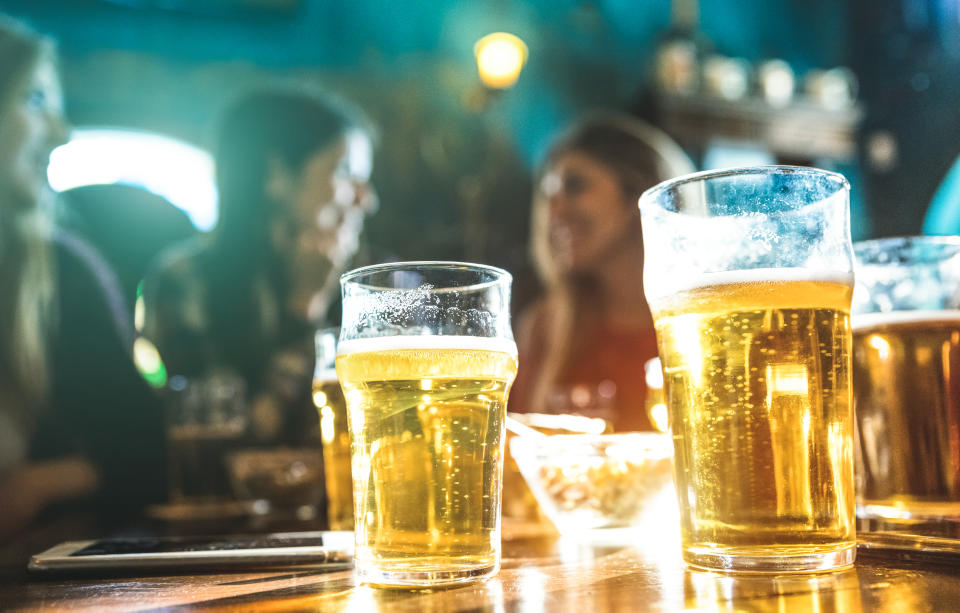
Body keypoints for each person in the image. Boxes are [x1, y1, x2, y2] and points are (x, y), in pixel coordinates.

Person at [138, 88, 376, 453]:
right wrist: (304, 307)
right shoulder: (184, 282)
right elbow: (232, 445)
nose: (366, 200)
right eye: (343, 172)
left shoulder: (370, 286)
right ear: (276, 175)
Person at [0, 16, 165, 540]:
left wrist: (32, 486)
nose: (62, 131)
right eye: (35, 100)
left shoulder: (60, 273)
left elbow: (145, 453)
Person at [509, 113, 694, 432]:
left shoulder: (698, 327)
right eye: (548, 196)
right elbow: (519, 453)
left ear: (637, 196)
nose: (553, 212)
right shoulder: (545, 327)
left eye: (575, 186)